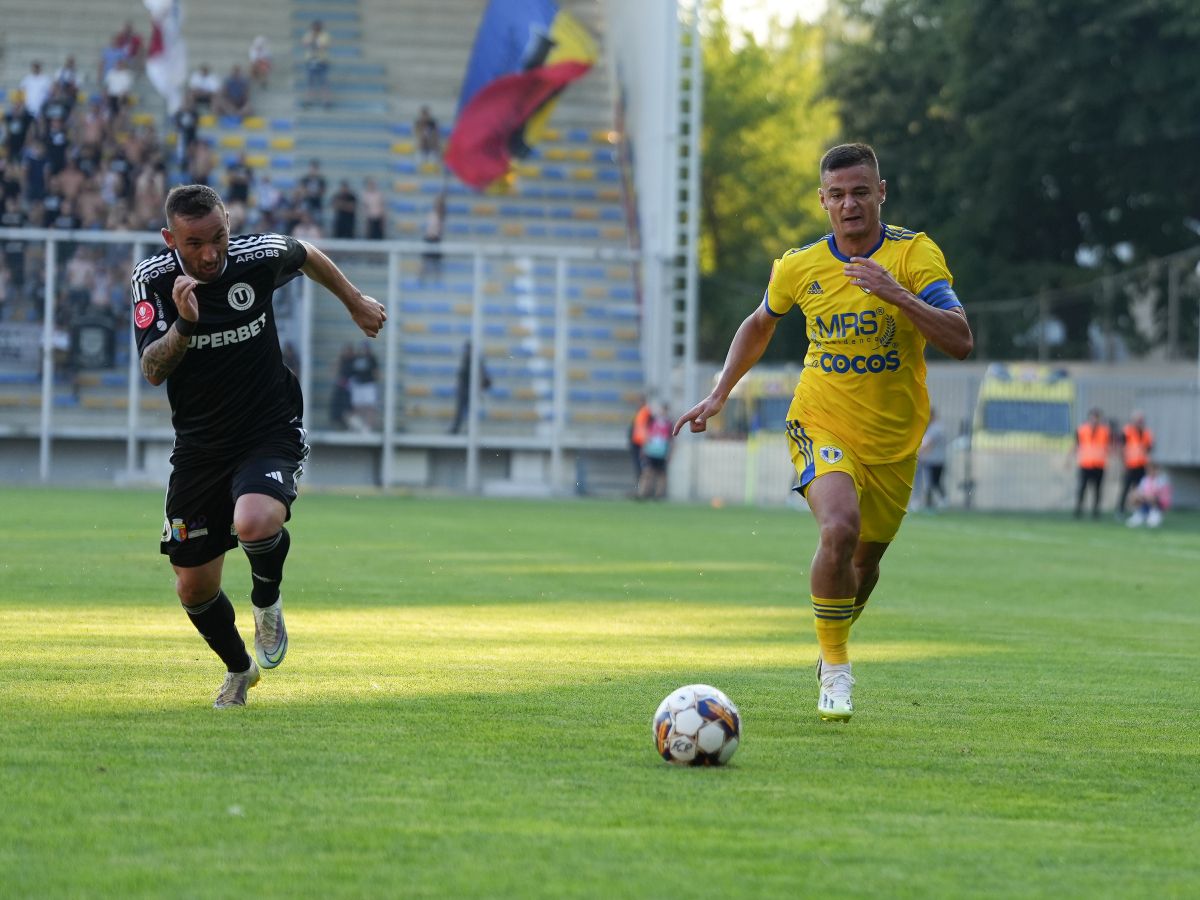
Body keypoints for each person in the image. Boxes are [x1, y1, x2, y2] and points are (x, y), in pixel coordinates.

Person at [673, 143, 972, 723]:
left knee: (863, 567)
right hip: (820, 420)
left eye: (861, 191)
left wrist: (895, 295)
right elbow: (760, 324)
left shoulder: (915, 256)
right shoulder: (799, 266)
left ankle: (829, 641)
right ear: (822, 202)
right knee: (838, 527)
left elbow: (960, 339)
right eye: (837, 195)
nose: (849, 204)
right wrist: (719, 392)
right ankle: (836, 670)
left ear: (881, 192)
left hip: (894, 440)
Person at [131, 184, 387, 708]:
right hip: (200, 446)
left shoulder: (256, 256)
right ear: (169, 238)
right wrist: (184, 325)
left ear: (230, 224)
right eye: (194, 242)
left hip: (268, 428)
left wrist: (355, 302)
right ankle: (239, 670)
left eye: (219, 237)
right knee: (192, 587)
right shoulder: (152, 279)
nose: (210, 253)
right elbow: (152, 369)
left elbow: (308, 254)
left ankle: (266, 602)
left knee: (253, 521)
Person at [1073, 407, 1111, 519]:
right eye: (1092, 418)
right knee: (1082, 489)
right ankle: (1078, 510)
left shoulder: (1105, 431)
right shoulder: (1082, 430)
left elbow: (1109, 447)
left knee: (1097, 490)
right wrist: (1068, 459)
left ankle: (1096, 512)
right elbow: (1076, 445)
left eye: (1096, 418)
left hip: (1099, 465)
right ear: (1089, 418)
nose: (1094, 420)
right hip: (1085, 464)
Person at [449, 339, 491, 434]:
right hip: (465, 388)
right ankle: (457, 429)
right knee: (462, 410)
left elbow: (481, 374)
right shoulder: (468, 358)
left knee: (468, 410)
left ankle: (467, 430)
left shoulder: (476, 360)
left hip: (469, 389)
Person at [1116, 410, 1153, 517]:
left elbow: (1149, 449)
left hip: (1142, 465)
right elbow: (1121, 448)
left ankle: (1141, 511)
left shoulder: (1147, 433)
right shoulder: (1127, 431)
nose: (1139, 422)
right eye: (1137, 420)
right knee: (1126, 488)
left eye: (1140, 420)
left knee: (1142, 490)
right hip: (1130, 465)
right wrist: (1123, 462)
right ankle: (1120, 510)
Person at [638, 403, 672, 500]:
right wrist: (643, 448)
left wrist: (670, 453)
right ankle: (643, 493)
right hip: (651, 451)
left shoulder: (669, 424)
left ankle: (658, 495)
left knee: (661, 474)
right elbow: (647, 435)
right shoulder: (651, 421)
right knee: (647, 472)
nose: (662, 412)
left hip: (662, 453)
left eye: (664, 410)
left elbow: (671, 440)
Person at [917, 407, 947, 510]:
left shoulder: (935, 428)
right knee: (934, 482)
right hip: (936, 460)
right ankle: (937, 502)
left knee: (932, 482)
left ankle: (935, 503)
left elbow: (927, 444)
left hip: (933, 460)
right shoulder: (936, 428)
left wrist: (918, 453)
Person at [1125, 460, 1170, 528]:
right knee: (1134, 495)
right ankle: (1140, 514)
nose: (1150, 472)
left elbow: (1158, 492)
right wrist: (1137, 494)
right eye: (1149, 470)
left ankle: (1154, 514)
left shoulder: (1161, 479)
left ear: (1157, 470)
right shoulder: (1145, 479)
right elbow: (1140, 490)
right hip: (1146, 499)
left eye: (1152, 470)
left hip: (1159, 502)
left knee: (1150, 496)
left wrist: (1145, 495)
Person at [302, 20, 332, 108]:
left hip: (322, 61)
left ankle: (326, 101)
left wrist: (316, 42)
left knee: (324, 82)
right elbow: (305, 44)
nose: (315, 29)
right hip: (310, 60)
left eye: (317, 28)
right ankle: (308, 101)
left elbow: (324, 46)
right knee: (310, 83)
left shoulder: (325, 35)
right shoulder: (308, 35)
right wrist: (312, 39)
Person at [420, 193, 446, 284]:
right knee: (426, 260)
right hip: (430, 238)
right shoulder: (433, 215)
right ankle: (422, 278)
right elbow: (430, 229)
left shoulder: (440, 216)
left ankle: (437, 279)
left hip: (435, 239)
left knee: (436, 261)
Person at [628, 395, 651, 491]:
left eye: (639, 401)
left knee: (643, 469)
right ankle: (640, 490)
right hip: (636, 443)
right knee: (638, 468)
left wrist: (645, 444)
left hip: (642, 444)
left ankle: (643, 490)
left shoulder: (646, 412)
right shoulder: (639, 412)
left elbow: (647, 429)